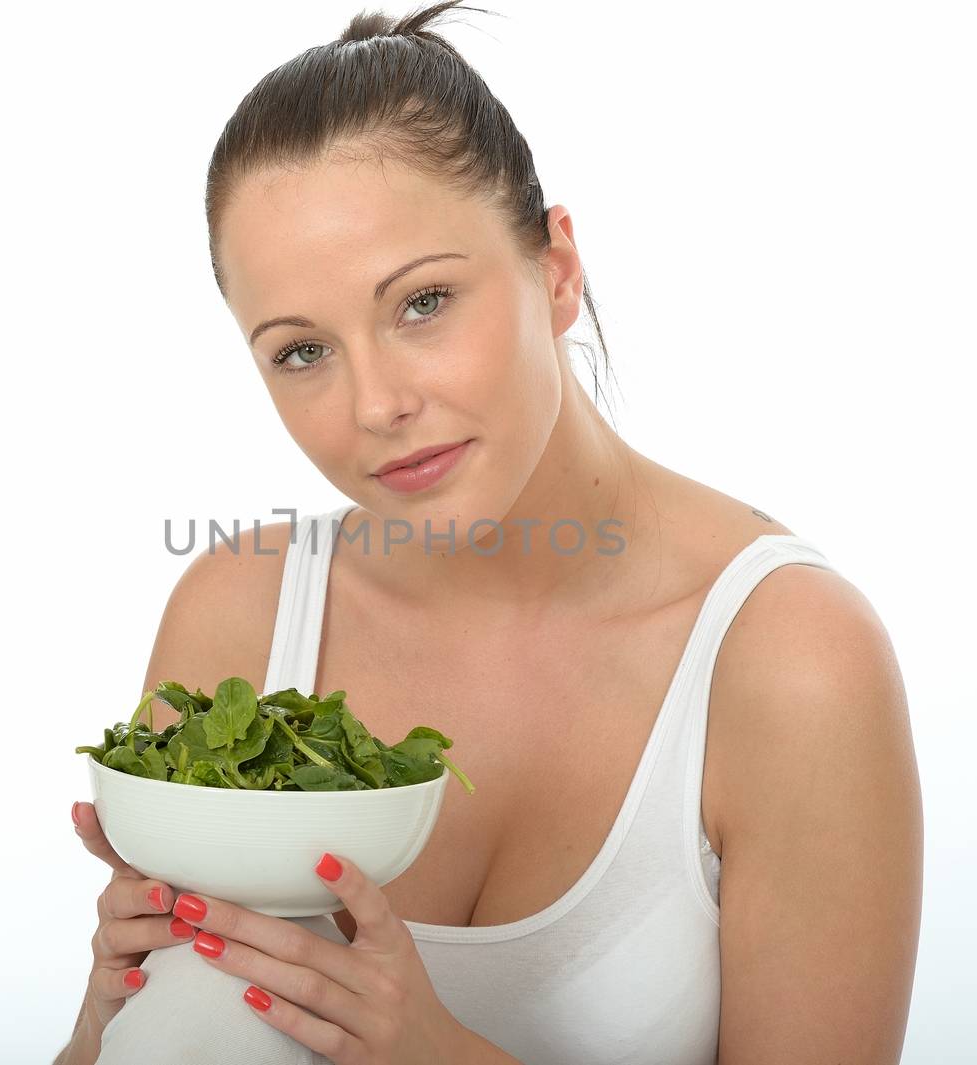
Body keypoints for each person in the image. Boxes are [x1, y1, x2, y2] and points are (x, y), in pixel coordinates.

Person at [55, 3, 923, 1063]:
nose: (375, 403)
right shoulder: (238, 619)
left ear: (556, 272)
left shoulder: (787, 661)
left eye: (422, 302)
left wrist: (434, 1052)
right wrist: (112, 1017)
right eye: (299, 352)